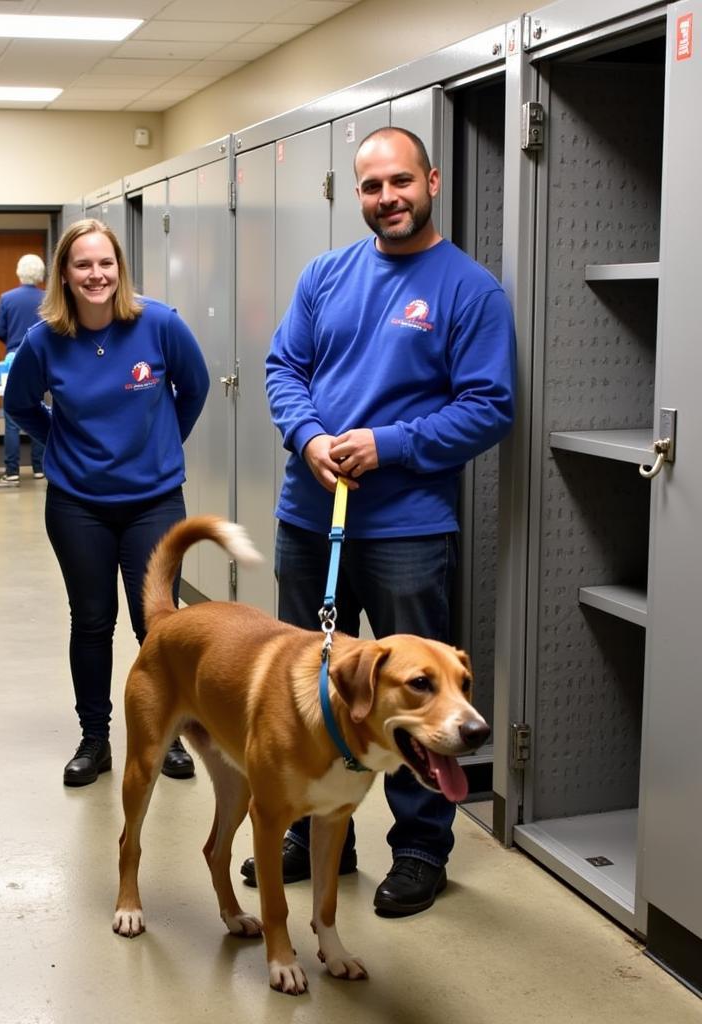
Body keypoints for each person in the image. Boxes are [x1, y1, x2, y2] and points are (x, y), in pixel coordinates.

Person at [242, 127, 516, 916]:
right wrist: (312, 437)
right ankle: (311, 832)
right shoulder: (325, 276)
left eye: (401, 182)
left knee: (415, 701)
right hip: (310, 519)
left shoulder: (470, 290)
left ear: (430, 180)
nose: (387, 198)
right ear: (355, 194)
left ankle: (422, 847)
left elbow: (489, 406)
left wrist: (388, 444)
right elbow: (283, 367)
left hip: (407, 532)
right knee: (311, 695)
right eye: (371, 187)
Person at [3, 218, 210, 787]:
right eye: (82, 265)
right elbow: (20, 405)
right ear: (64, 276)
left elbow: (195, 389)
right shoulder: (44, 339)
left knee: (158, 625)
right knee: (92, 622)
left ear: (119, 269)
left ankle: (167, 733)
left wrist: (161, 444)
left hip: (154, 502)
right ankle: (95, 739)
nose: (96, 274)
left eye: (105, 263)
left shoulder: (160, 325)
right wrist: (59, 440)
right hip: (78, 504)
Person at [0, 253, 47, 481]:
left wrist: (13, 343)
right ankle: (39, 467)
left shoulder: (7, 298)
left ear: (19, 271)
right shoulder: (48, 298)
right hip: (45, 358)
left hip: (14, 358)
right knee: (41, 411)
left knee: (12, 418)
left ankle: (12, 470)